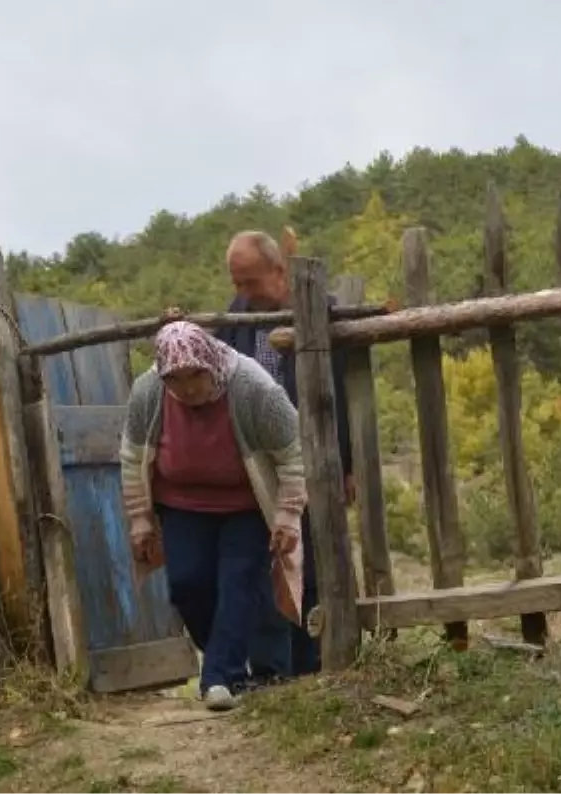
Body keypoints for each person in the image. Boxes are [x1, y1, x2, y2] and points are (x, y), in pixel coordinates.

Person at [119, 320, 309, 711]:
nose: (187, 389)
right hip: (182, 504)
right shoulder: (148, 392)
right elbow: (132, 456)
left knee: (238, 580)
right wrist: (139, 519)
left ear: (209, 364)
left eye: (195, 377)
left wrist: (288, 516)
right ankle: (226, 659)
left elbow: (293, 455)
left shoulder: (254, 389)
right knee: (188, 583)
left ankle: (220, 678)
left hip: (246, 506)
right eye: (176, 381)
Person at [214, 229, 355, 685]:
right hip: (257, 464)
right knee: (264, 561)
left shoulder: (317, 309)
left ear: (279, 271)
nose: (242, 293)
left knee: (312, 559)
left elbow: (341, 394)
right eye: (236, 282)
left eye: (250, 282)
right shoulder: (235, 318)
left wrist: (347, 464)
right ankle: (273, 670)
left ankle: (317, 661)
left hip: (312, 453)